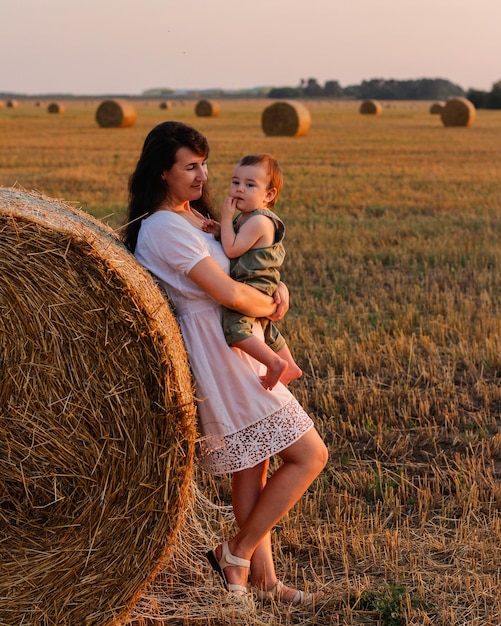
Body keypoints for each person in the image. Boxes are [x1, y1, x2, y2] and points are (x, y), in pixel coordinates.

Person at [123, 121, 328, 606]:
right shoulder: (161, 228)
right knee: (309, 455)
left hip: (238, 342)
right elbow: (225, 292)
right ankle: (235, 552)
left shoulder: (197, 217)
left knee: (251, 468)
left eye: (204, 163)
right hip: (220, 351)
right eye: (190, 166)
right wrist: (269, 308)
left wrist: (275, 290)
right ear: (163, 172)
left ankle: (263, 581)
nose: (203, 175)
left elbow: (246, 271)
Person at [202, 153, 302, 390]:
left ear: (269, 195)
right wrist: (220, 228)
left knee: (235, 329)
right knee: (266, 329)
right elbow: (236, 239)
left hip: (253, 284)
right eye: (235, 182)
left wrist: (225, 219)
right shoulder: (247, 218)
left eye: (249, 185)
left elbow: (232, 248)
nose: (239, 189)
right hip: (260, 282)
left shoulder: (259, 221)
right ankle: (291, 365)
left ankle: (274, 363)